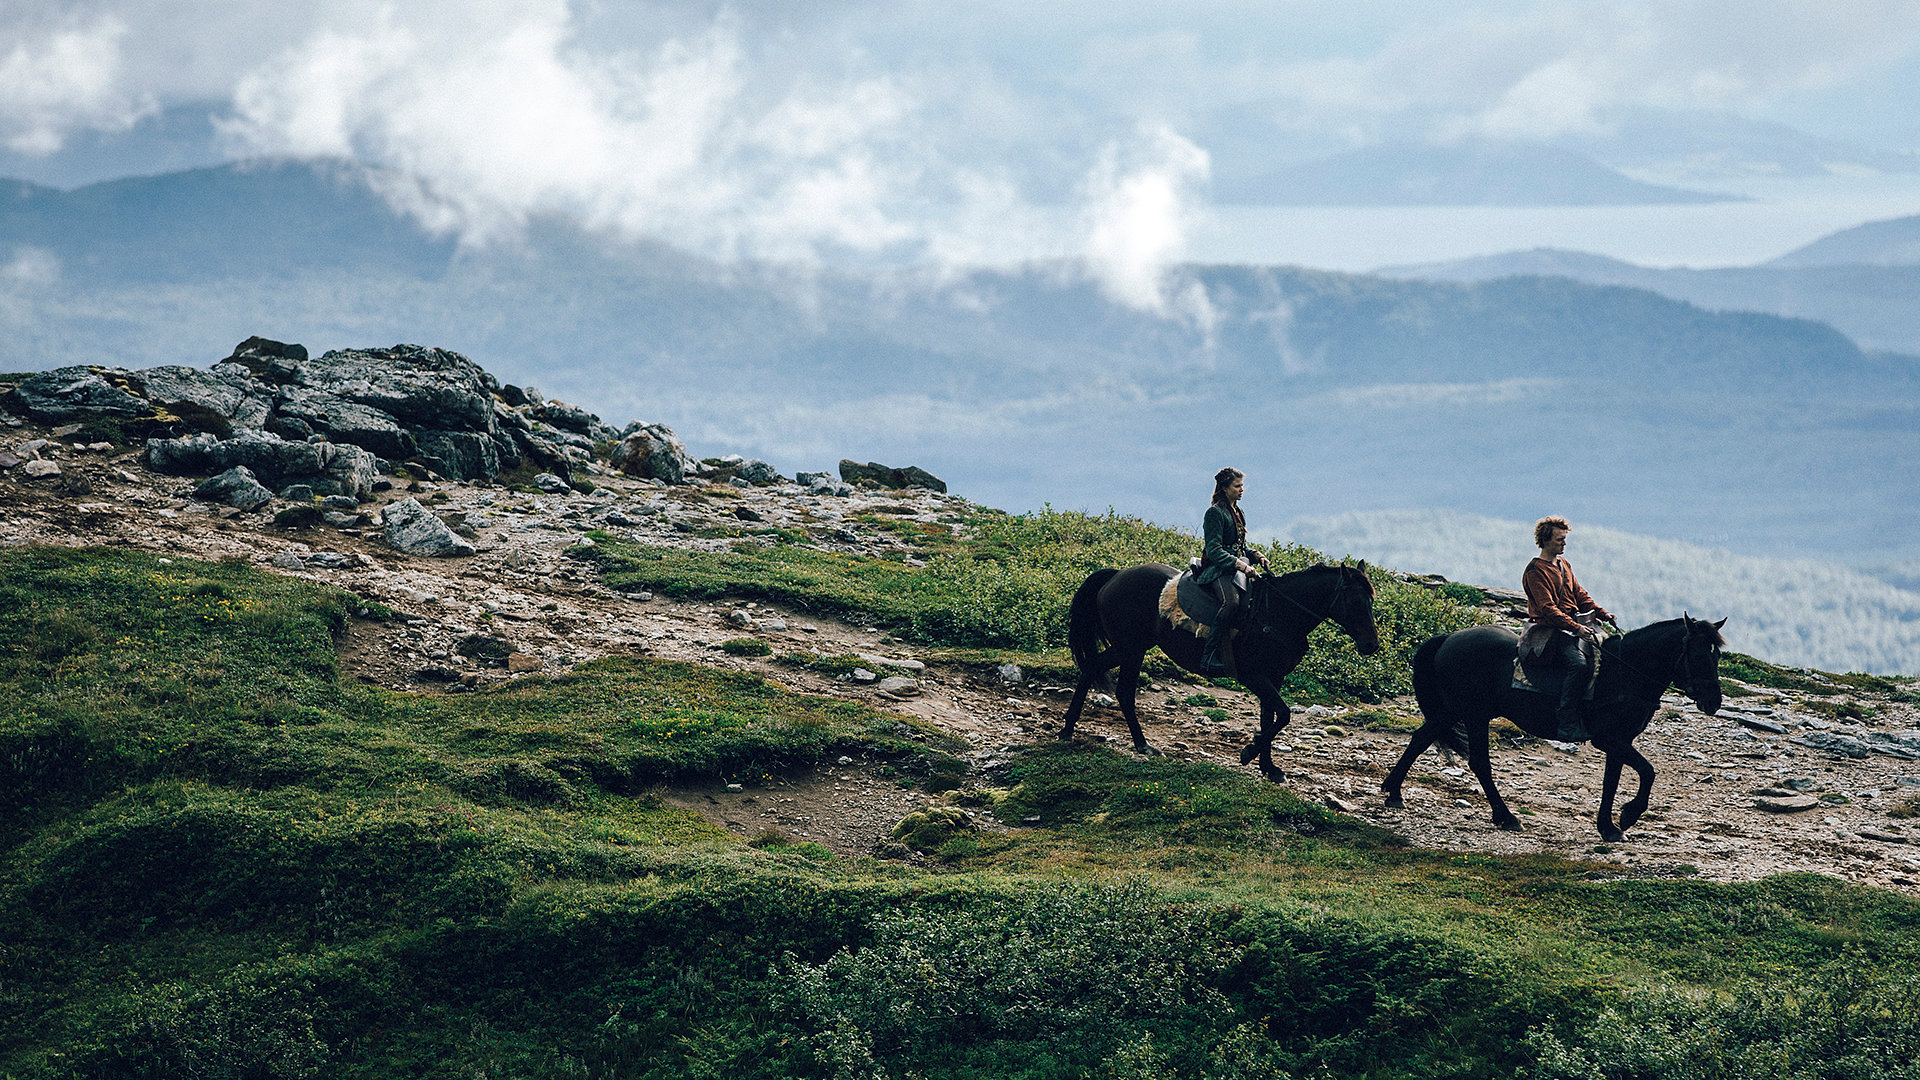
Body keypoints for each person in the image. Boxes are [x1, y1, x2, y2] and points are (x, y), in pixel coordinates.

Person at [1523, 516, 1616, 741]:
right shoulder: (1536, 571)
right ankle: (1566, 721)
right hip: (1550, 630)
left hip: (1571, 625)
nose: (1564, 544)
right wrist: (1576, 628)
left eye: (1565, 539)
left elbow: (1580, 594)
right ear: (1545, 541)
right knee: (1579, 666)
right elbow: (1547, 609)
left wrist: (1602, 613)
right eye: (1559, 540)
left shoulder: (1563, 565)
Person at [1197, 467, 1270, 674]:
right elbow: (1214, 550)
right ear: (1224, 488)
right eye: (1237, 486)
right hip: (1217, 569)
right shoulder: (1215, 513)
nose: (1241, 490)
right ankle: (1208, 657)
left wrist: (1257, 556)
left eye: (1242, 486)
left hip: (1235, 567)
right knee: (1231, 603)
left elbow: (1239, 545)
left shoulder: (1238, 511)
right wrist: (1241, 565)